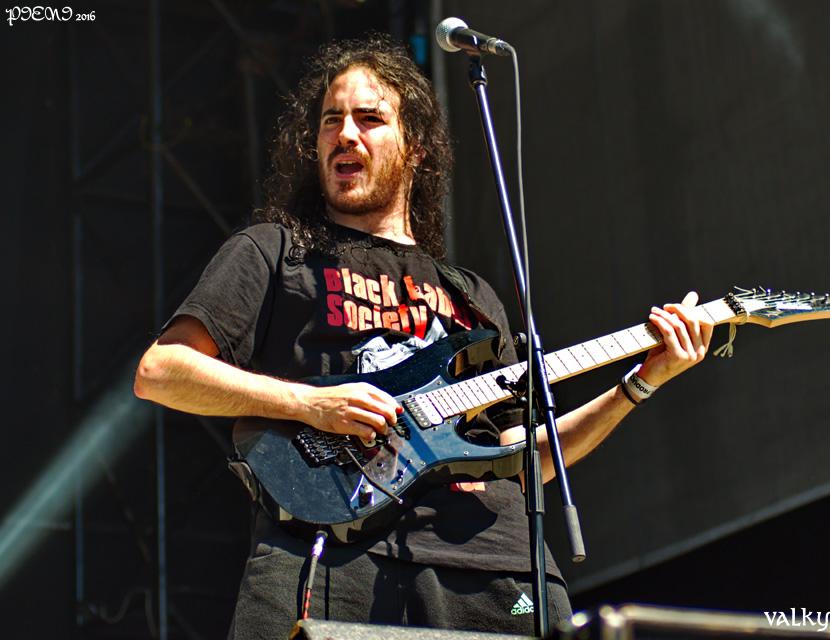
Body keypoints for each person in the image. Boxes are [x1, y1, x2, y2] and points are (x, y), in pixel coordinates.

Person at [133, 35, 713, 639]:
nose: (345, 135)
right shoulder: (277, 251)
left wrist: (639, 384)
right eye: (331, 121)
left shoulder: (473, 296)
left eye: (369, 119)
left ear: (415, 148)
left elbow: (523, 459)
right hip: (334, 552)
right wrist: (311, 403)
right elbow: (161, 372)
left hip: (498, 571)